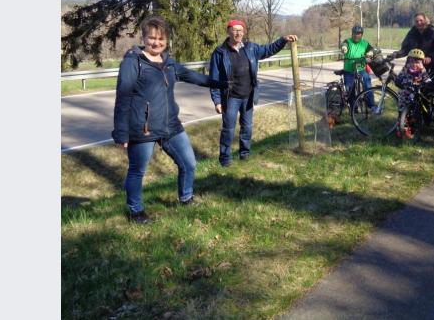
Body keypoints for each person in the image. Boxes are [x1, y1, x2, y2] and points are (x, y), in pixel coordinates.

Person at [112, 16, 227, 224]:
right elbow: (123, 98)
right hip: (142, 128)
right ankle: (135, 211)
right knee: (137, 171)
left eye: (160, 39)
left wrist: (220, 84)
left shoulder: (169, 63)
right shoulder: (132, 62)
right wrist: (121, 132)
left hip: (171, 125)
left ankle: (186, 198)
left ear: (167, 40)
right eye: (151, 38)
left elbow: (194, 76)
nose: (156, 43)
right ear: (144, 38)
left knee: (189, 163)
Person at [209, 19, 298, 167]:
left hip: (248, 96)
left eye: (240, 30)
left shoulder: (251, 48)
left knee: (247, 128)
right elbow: (214, 78)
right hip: (230, 98)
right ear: (228, 32)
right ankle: (225, 159)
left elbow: (268, 49)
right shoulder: (220, 52)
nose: (238, 33)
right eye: (234, 30)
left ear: (243, 32)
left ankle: (244, 155)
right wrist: (217, 101)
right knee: (228, 129)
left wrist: (283, 40)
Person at [340, 24, 375, 107]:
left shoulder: (365, 43)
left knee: (367, 83)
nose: (356, 35)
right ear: (352, 34)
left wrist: (371, 52)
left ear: (361, 34)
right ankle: (353, 107)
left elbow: (372, 49)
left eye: (358, 34)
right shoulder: (348, 41)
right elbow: (343, 45)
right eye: (355, 33)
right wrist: (344, 48)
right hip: (349, 70)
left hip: (360, 69)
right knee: (350, 88)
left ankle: (371, 105)